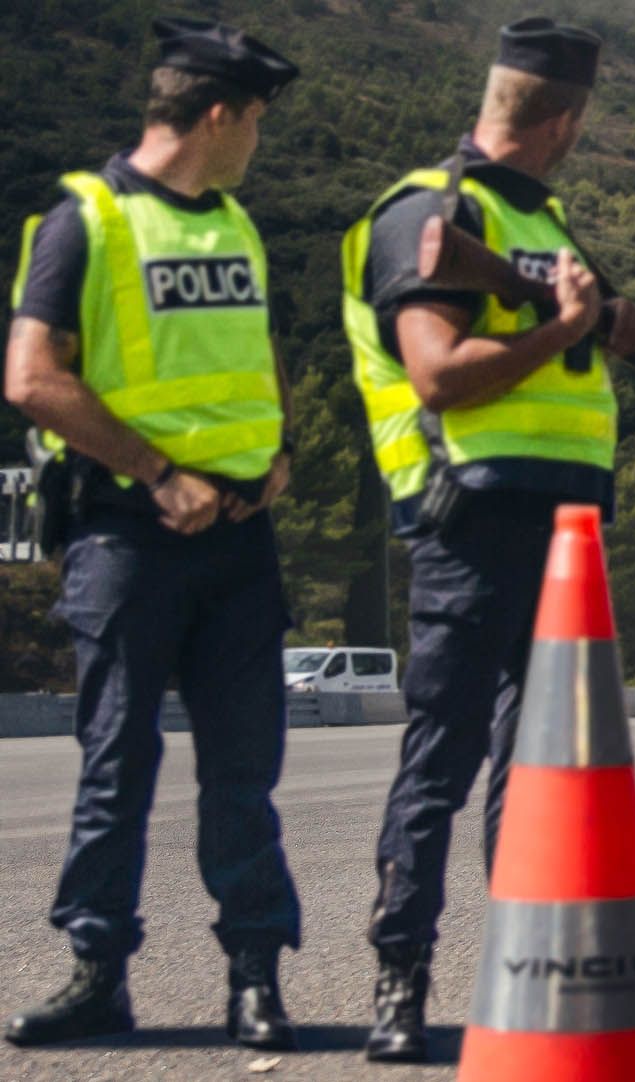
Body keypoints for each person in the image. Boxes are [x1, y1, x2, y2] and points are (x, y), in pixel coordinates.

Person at [339, 16, 635, 1062]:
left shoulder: (542, 219)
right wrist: (563, 328)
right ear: (565, 121)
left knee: (540, 768)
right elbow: (437, 373)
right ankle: (400, 977)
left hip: (567, 527)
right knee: (445, 755)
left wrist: (606, 322)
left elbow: (555, 334)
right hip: (473, 515)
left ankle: (533, 976)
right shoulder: (432, 211)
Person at [2, 17, 302, 1051]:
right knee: (117, 762)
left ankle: (255, 976)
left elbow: (256, 352)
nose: (258, 139)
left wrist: (279, 448)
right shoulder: (85, 221)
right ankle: (98, 972)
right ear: (217, 115)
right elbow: (32, 377)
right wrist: (159, 473)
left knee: (243, 772)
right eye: (255, 120)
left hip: (240, 540)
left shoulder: (237, 225)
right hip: (130, 535)